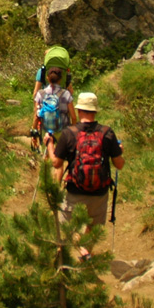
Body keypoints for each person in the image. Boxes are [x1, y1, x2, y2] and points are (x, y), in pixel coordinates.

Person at [47, 91, 124, 260]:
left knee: (66, 227)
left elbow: (56, 164)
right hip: (99, 193)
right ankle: (86, 252)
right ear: (95, 111)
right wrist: (120, 151)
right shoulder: (107, 133)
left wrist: (50, 144)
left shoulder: (69, 133)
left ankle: (75, 254)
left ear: (80, 110)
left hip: (74, 192)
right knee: (92, 226)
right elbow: (119, 164)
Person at [33, 66, 72, 142]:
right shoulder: (66, 94)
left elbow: (36, 117)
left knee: (47, 152)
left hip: (46, 132)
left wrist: (34, 134)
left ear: (47, 78)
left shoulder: (40, 94)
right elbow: (73, 117)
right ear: (60, 79)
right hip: (63, 132)